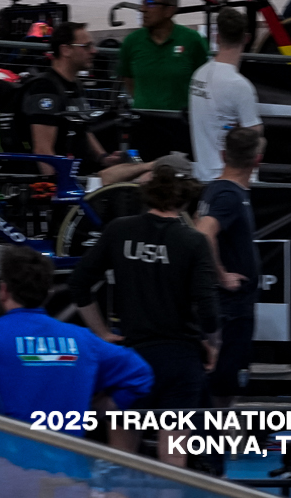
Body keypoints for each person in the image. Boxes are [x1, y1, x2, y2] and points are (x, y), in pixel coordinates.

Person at [69, 165, 221, 466]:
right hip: (179, 358)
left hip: (132, 356)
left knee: (122, 456)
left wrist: (101, 333)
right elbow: (209, 309)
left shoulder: (120, 230)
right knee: (173, 456)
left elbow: (78, 284)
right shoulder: (193, 242)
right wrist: (213, 344)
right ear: (185, 200)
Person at [0, 247, 151, 431]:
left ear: (3, 290)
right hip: (66, 477)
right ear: (48, 294)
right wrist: (100, 410)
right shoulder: (83, 341)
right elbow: (139, 372)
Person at [196, 127, 263, 408]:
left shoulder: (219, 189)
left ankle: (214, 442)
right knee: (222, 381)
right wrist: (222, 276)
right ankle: (213, 446)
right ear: (257, 160)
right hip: (230, 309)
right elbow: (203, 233)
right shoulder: (229, 195)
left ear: (223, 155)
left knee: (223, 381)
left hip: (229, 307)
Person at [14, 22, 130, 177]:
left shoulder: (75, 84)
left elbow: (81, 127)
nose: (94, 51)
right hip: (61, 183)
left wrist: (103, 158)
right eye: (86, 46)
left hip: (81, 174)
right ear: (66, 50)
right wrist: (59, 190)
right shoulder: (44, 89)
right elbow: (43, 151)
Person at [188, 8, 263, 183]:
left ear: (217, 37)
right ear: (247, 38)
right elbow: (254, 138)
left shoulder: (198, 75)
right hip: (231, 179)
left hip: (203, 175)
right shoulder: (239, 85)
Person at [117, 0, 206, 111]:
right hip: (143, 124)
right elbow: (129, 81)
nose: (143, 9)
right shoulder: (131, 41)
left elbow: (204, 82)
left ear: (169, 11)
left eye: (150, 4)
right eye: (143, 1)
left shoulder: (192, 40)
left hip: (180, 125)